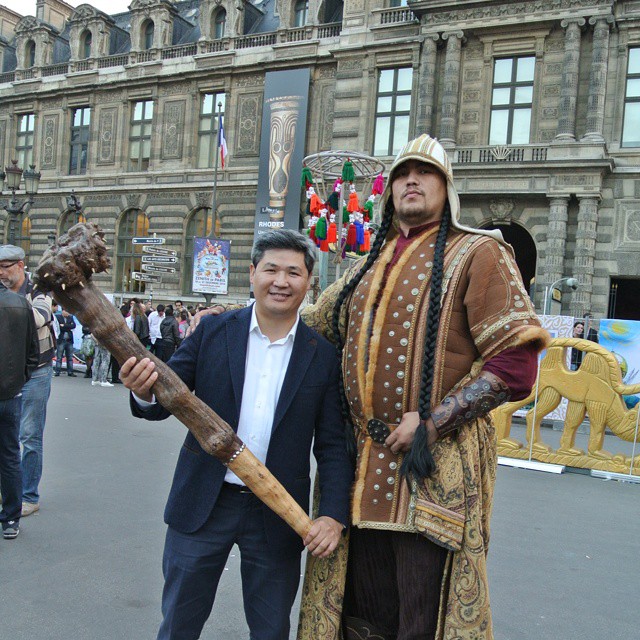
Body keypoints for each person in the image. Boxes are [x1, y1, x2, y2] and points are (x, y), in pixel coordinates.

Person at [294, 134, 550, 639]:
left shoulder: (480, 252)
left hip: (432, 477)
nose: (412, 180)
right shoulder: (366, 265)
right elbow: (309, 331)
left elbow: (516, 365)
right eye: (402, 174)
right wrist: (232, 324)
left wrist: (433, 423)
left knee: (422, 623)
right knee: (360, 621)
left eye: (425, 172)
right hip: (358, 478)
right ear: (389, 191)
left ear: (446, 188)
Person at [121, 229, 353, 640]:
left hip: (278, 512)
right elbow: (167, 397)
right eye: (271, 270)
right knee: (178, 624)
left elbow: (334, 446)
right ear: (252, 273)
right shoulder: (213, 333)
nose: (281, 282)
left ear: (309, 282)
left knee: (270, 629)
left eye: (293, 273)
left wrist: (333, 516)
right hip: (203, 503)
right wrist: (143, 391)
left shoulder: (323, 356)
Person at [0, 245, 55, 518]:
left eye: (5, 267)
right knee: (6, 437)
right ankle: (8, 490)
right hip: (6, 374)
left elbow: (40, 317)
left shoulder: (38, 291)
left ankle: (28, 495)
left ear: (21, 265)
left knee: (29, 435)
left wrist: (9, 308)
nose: (1, 273)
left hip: (37, 372)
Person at [0, 285, 39, 539]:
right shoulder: (21, 304)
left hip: (11, 389)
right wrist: (18, 381)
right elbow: (33, 353)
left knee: (10, 456)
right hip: (10, 392)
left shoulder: (19, 303)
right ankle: (11, 518)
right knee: (10, 456)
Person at [54, 308, 77, 376]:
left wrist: (64, 325)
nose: (68, 313)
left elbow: (73, 326)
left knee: (70, 357)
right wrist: (68, 327)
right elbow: (59, 327)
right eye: (66, 311)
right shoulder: (58, 317)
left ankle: (70, 372)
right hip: (61, 340)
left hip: (69, 340)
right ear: (63, 311)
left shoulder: (70, 317)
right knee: (59, 357)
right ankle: (57, 371)